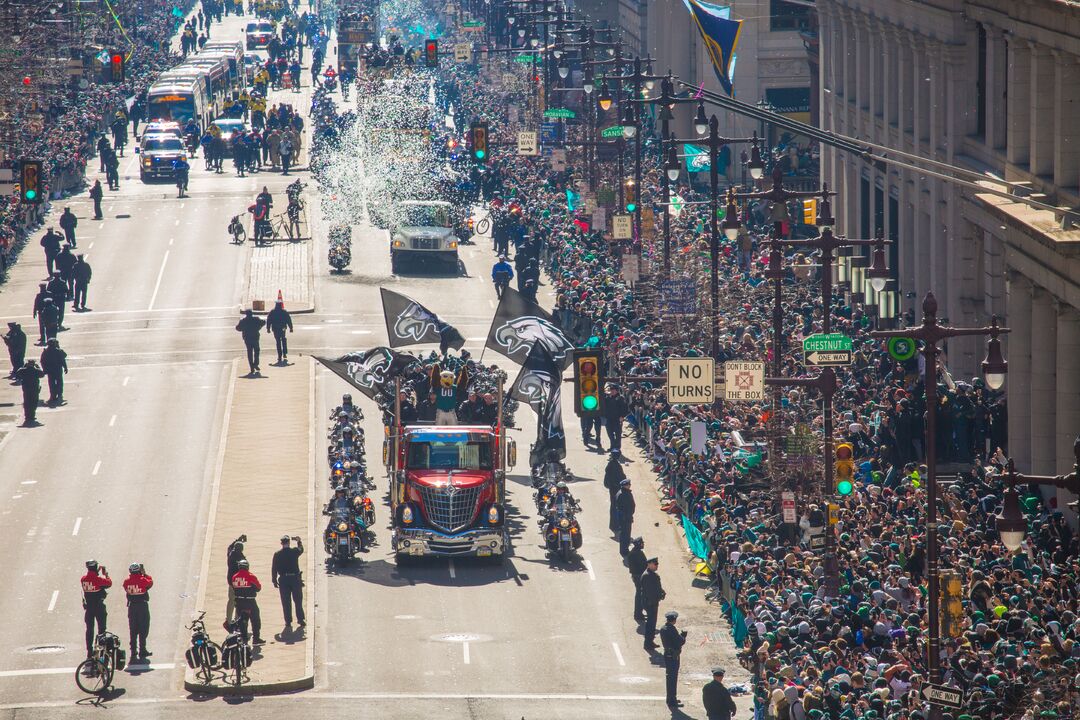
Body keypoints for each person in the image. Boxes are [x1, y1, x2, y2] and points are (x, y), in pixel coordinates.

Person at [271, 535, 305, 627]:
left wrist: (274, 580)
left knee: (286, 602)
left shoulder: (277, 554)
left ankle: (288, 621)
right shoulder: (294, 551)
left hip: (283, 580)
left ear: (281, 543)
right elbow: (301, 549)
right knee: (298, 600)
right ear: (289, 543)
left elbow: (274, 568)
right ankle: (300, 619)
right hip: (295, 579)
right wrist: (299, 541)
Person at [80, 560, 112, 657]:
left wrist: (96, 571)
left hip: (89, 608)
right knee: (101, 630)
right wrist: (106, 574)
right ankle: (101, 650)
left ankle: (89, 651)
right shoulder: (98, 580)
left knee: (89, 629)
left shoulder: (83, 579)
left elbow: (91, 579)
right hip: (99, 607)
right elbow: (109, 583)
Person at [122, 563, 154, 659]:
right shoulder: (143, 580)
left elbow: (125, 587)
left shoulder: (126, 582)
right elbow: (150, 582)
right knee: (143, 628)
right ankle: (142, 650)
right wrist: (144, 574)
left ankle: (133, 651)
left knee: (133, 629)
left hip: (132, 607)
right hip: (142, 606)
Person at [230, 559, 265, 644]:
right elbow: (258, 588)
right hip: (250, 601)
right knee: (255, 620)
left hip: (239, 602)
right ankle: (256, 638)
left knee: (242, 621)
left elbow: (234, 588)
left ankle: (244, 639)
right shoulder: (250, 576)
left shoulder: (234, 577)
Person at [659, 611, 687, 709]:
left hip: (667, 654)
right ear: (674, 620)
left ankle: (670, 698)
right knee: (672, 679)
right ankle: (672, 700)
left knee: (670, 678)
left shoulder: (663, 628)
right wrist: (683, 636)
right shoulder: (672, 630)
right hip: (673, 656)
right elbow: (679, 642)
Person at [639, 557, 664, 650]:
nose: (657, 566)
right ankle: (648, 643)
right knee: (650, 624)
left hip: (653, 602)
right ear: (649, 564)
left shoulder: (652, 575)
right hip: (650, 603)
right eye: (655, 564)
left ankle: (650, 642)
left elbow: (657, 587)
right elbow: (650, 592)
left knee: (652, 624)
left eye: (657, 564)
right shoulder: (647, 576)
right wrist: (658, 596)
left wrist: (662, 592)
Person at [236, 309, 266, 374]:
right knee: (257, 351)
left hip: (247, 338)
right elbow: (263, 322)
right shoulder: (256, 319)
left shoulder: (243, 321)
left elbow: (238, 328)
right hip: (255, 337)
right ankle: (256, 364)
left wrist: (243, 328)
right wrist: (259, 327)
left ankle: (252, 367)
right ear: (251, 314)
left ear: (246, 314)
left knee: (249, 352)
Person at [39, 338, 68, 405]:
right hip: (57, 370)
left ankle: (53, 396)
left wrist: (45, 369)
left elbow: (42, 361)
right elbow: (63, 358)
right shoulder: (58, 351)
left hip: (50, 370)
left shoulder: (46, 352)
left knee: (52, 383)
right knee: (59, 382)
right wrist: (65, 367)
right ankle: (59, 394)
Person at [15, 360, 44, 425]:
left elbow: (17, 375)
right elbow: (42, 374)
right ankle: (32, 415)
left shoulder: (23, 370)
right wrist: (37, 367)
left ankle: (27, 415)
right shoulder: (36, 370)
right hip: (34, 389)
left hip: (26, 389)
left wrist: (23, 367)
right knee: (34, 402)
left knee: (27, 402)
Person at [603, 450, 625, 531]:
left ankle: (613, 525)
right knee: (616, 507)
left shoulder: (610, 464)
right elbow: (621, 477)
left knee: (613, 506)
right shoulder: (616, 466)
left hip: (612, 488)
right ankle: (615, 525)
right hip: (615, 488)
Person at [225, 536, 246, 622]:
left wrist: (238, 539)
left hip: (231, 581)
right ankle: (237, 619)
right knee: (239, 601)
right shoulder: (241, 559)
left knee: (231, 601)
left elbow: (229, 547)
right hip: (239, 583)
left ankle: (228, 619)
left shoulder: (231, 555)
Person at [602, 383, 628, 453]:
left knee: (618, 434)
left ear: (617, 390)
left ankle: (617, 448)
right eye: (611, 390)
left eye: (613, 390)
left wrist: (622, 416)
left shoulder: (621, 398)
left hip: (617, 419)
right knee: (610, 433)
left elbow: (625, 409)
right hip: (609, 418)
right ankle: (612, 446)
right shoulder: (608, 397)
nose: (612, 391)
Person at [626, 536, 647, 622]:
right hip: (638, 576)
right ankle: (638, 614)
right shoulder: (636, 553)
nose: (643, 545)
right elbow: (642, 565)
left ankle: (639, 613)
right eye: (642, 543)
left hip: (637, 575)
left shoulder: (635, 552)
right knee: (640, 596)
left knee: (640, 595)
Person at [615, 478, 635, 556]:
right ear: (625, 486)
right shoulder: (622, 494)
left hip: (626, 517)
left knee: (626, 534)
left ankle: (624, 549)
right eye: (628, 484)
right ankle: (624, 551)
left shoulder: (624, 493)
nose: (630, 486)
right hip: (625, 518)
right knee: (625, 535)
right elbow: (624, 507)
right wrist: (627, 516)